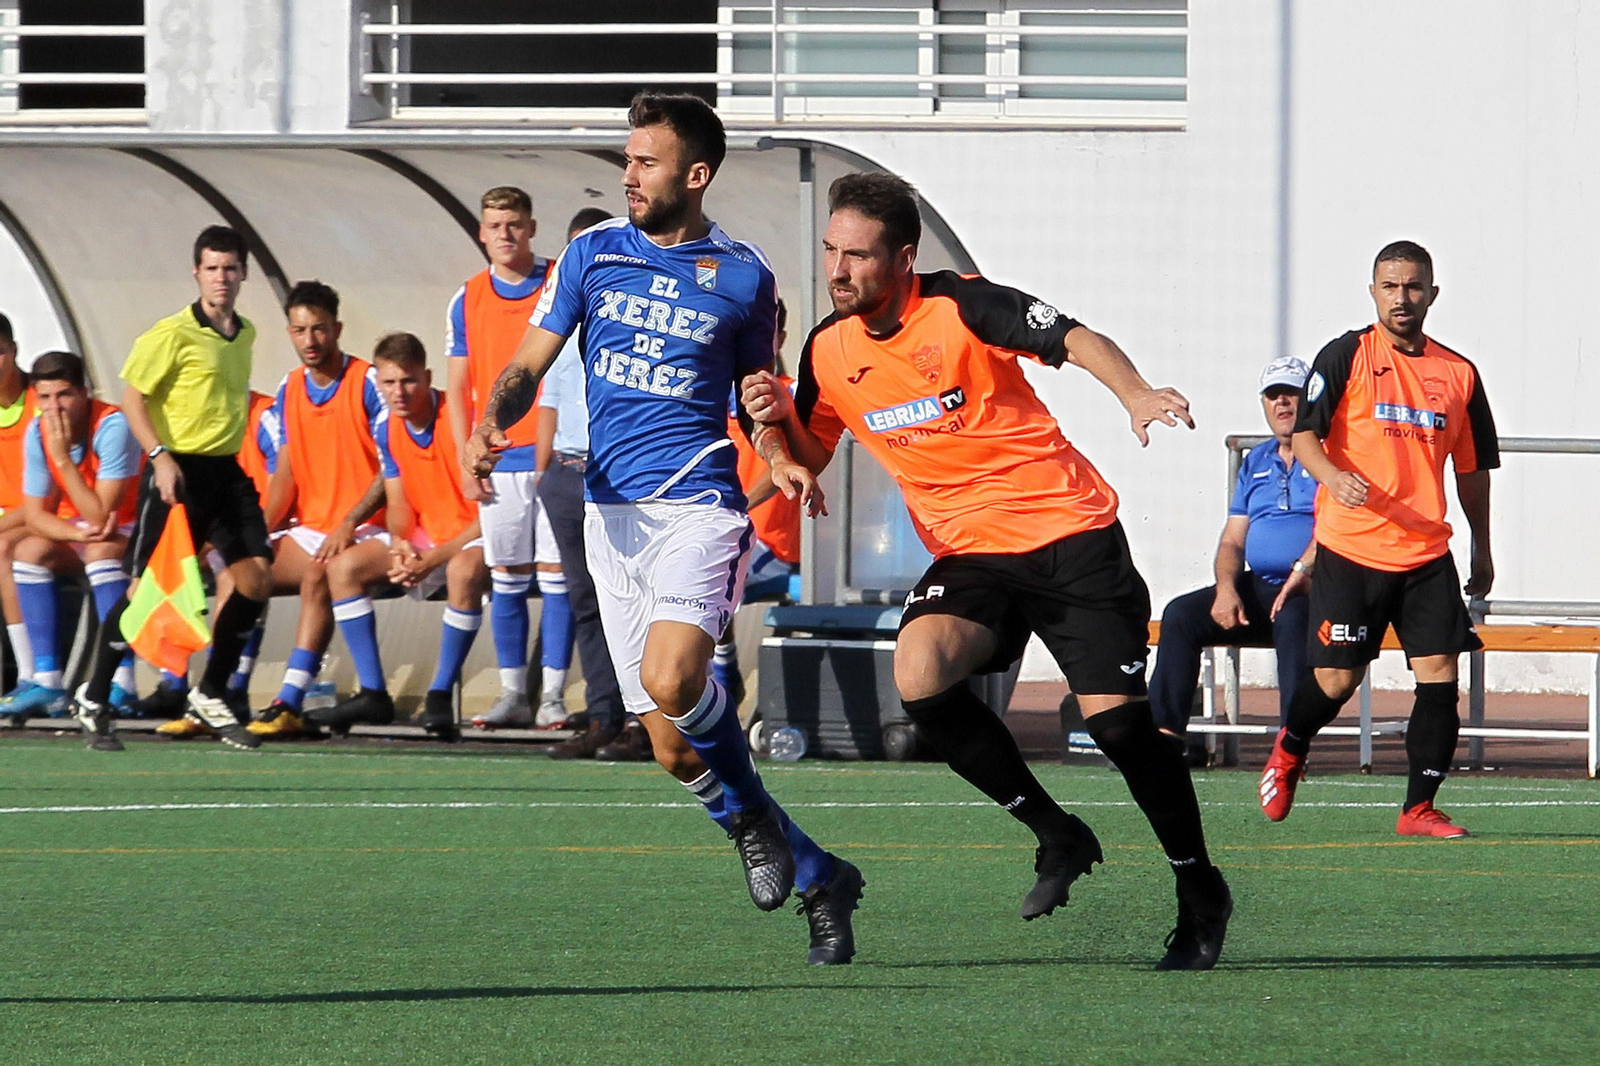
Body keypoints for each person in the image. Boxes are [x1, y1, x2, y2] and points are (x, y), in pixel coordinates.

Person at [744, 171, 1231, 971]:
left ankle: (1198, 885)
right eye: (831, 250)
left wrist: (1136, 394)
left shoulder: (960, 305)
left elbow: (1074, 338)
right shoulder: (828, 349)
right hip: (972, 554)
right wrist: (772, 436)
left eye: (858, 256)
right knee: (920, 672)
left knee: (1117, 729)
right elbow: (809, 451)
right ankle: (1055, 831)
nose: (838, 270)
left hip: (1070, 534)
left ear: (902, 258)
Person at [464, 92, 862, 965]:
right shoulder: (592, 253)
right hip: (610, 517)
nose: (628, 175)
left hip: (697, 506)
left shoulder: (745, 275)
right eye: (626, 158)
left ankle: (753, 819)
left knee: (674, 675)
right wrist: (493, 420)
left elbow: (759, 396)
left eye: (645, 161)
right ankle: (819, 870)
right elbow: (528, 365)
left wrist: (779, 449)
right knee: (673, 751)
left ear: (696, 174)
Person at [1258, 241, 1498, 839]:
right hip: (1353, 548)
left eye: (1413, 287)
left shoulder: (1459, 374)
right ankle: (1290, 746)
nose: (1402, 298)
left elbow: (1472, 469)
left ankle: (1419, 807)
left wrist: (1483, 546)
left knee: (1441, 674)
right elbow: (1307, 435)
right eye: (1390, 287)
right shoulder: (1346, 354)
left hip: (1425, 553)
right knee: (1339, 680)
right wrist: (1333, 477)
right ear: (1373, 293)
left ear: (1432, 294)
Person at [73, 225, 275, 753]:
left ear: (244, 274)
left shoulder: (245, 333)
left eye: (230, 268)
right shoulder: (171, 333)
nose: (222, 278)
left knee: (256, 578)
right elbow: (133, 399)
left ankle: (210, 691)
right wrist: (159, 458)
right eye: (212, 268)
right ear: (197, 273)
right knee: (144, 595)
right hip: (177, 473)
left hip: (226, 472)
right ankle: (94, 696)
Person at [309, 333, 488, 736]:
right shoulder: (387, 427)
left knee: (463, 570)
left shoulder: (461, 419)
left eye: (407, 381)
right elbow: (399, 504)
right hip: (428, 541)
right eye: (388, 383)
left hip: (475, 538)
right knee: (342, 568)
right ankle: (373, 693)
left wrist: (432, 560)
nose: (399, 392)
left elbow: (493, 516)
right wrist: (400, 547)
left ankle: (440, 695)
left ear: (426, 378)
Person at [238, 280, 388, 742]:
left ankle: (290, 699)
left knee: (319, 574)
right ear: (289, 331)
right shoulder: (289, 387)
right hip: (313, 528)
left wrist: (350, 522)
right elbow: (283, 474)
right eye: (300, 330)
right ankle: (223, 692)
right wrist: (257, 532)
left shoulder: (366, 381)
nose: (310, 340)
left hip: (371, 527)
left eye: (319, 329)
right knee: (241, 572)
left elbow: (393, 467)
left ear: (337, 328)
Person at [446, 186, 573, 730]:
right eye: (495, 225)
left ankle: (554, 697)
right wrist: (465, 458)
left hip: (553, 456)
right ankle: (511, 692)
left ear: (532, 226)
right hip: (497, 463)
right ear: (481, 231)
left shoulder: (558, 282)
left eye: (514, 224)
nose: (505, 234)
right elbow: (458, 389)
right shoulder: (467, 297)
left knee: (559, 579)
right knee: (507, 579)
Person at [1148, 357, 1316, 744]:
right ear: (1264, 403)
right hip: (1259, 587)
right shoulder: (1256, 460)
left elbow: (1335, 528)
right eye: (1274, 396)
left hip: (1312, 587)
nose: (1283, 404)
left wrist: (1303, 572)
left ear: (1310, 399)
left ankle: (1292, 744)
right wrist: (1226, 588)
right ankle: (1163, 736)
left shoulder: (1331, 453)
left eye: (1292, 393)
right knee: (1181, 615)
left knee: (1293, 620)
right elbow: (1232, 540)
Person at [536, 207, 631, 761]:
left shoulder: (631, 314)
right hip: (565, 474)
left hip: (616, 474)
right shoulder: (556, 317)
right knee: (585, 601)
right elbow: (548, 396)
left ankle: (646, 721)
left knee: (632, 597)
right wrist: (544, 472)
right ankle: (603, 715)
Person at [0, 352, 139, 723]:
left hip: (130, 530)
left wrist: (62, 460)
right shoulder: (37, 430)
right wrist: (75, 531)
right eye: (44, 398)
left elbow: (103, 514)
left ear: (84, 392)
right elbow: (35, 514)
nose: (53, 407)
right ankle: (46, 682)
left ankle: (121, 682)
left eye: (64, 395)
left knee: (100, 554)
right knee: (28, 552)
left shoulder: (112, 425)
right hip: (87, 530)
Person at [713, 298, 800, 711]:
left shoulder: (792, 394)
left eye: (766, 335)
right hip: (726, 534)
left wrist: (738, 506)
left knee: (711, 574)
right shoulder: (713, 399)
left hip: (774, 544)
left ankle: (723, 687)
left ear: (779, 339)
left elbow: (789, 465)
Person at [0, 313, 37, 694]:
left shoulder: (40, 401)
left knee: (4, 549)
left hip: (44, 516)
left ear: (13, 351)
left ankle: (28, 675)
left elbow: (41, 501)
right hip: (12, 517)